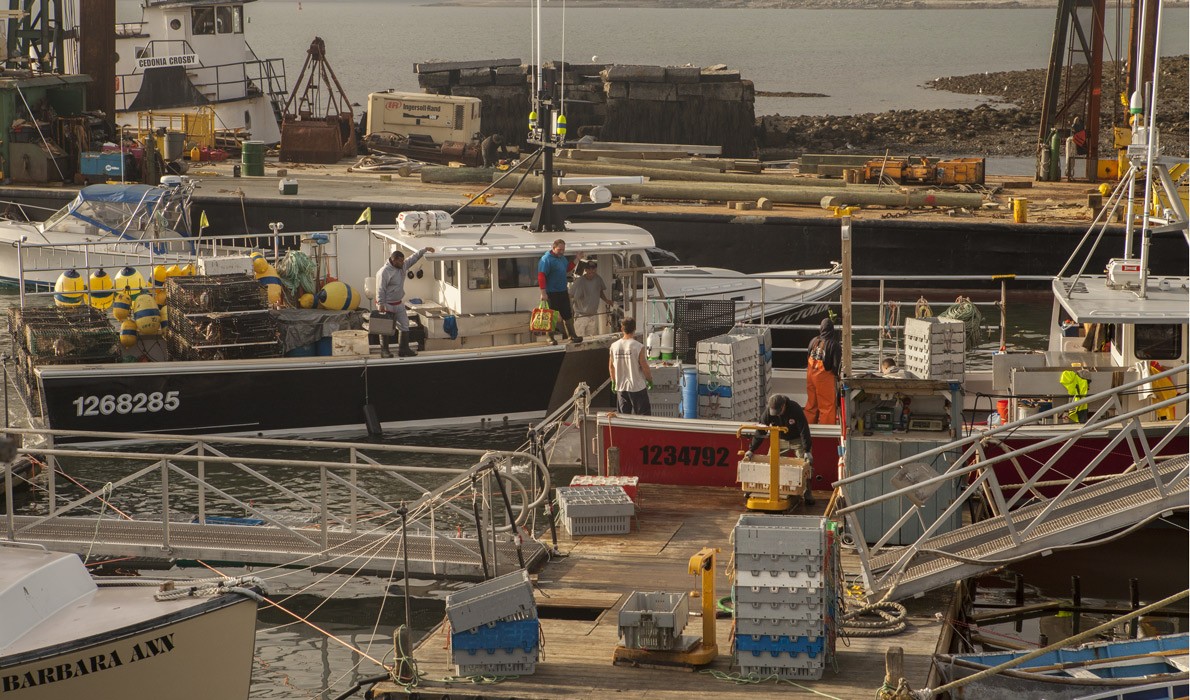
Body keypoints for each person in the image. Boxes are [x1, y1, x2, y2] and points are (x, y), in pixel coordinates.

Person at [744, 394, 815, 505]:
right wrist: (751, 449)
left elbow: (804, 429)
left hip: (797, 440)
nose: (776, 414)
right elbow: (761, 431)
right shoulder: (768, 413)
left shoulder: (795, 409)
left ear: (783, 406)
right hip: (780, 439)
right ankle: (764, 489)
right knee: (770, 461)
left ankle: (807, 492)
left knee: (806, 465)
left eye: (778, 411)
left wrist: (807, 450)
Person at [375, 246, 434, 357]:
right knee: (385, 328)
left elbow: (413, 258)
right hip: (387, 304)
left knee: (405, 325)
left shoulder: (402, 266)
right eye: (400, 261)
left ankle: (403, 349)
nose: (403, 263)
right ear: (393, 260)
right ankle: (384, 351)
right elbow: (380, 289)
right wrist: (380, 304)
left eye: (403, 260)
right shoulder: (384, 272)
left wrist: (424, 250)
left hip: (398, 303)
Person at [538, 239, 582, 345]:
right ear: (553, 248)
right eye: (559, 249)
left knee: (567, 314)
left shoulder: (562, 258)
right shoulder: (546, 259)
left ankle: (572, 336)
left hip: (562, 291)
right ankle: (550, 338)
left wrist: (577, 259)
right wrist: (543, 292)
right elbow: (541, 276)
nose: (562, 252)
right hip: (551, 293)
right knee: (551, 316)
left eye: (563, 249)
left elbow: (566, 268)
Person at [609, 317, 653, 415]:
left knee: (623, 419)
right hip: (637, 387)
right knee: (643, 418)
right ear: (634, 329)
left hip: (621, 388)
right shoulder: (638, 346)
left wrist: (613, 382)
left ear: (622, 329)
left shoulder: (614, 346)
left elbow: (611, 367)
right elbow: (644, 367)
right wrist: (649, 380)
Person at [805, 317, 841, 424]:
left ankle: (809, 426)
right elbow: (835, 367)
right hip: (824, 379)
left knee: (811, 404)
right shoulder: (834, 345)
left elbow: (808, 356)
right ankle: (827, 430)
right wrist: (837, 376)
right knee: (827, 406)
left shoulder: (813, 341)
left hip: (810, 375)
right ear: (832, 330)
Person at [569, 259, 612, 338]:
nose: (591, 271)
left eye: (593, 269)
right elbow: (569, 295)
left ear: (595, 269)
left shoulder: (598, 279)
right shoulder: (579, 281)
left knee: (592, 339)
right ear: (585, 270)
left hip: (592, 316)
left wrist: (606, 300)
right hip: (580, 316)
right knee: (579, 339)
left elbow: (600, 291)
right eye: (589, 269)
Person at [1064, 116, 1087, 181]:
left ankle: (1069, 173)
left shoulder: (1075, 128)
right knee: (1070, 157)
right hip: (1072, 142)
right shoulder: (1076, 128)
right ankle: (1068, 173)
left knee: (1070, 157)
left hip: (1072, 142)